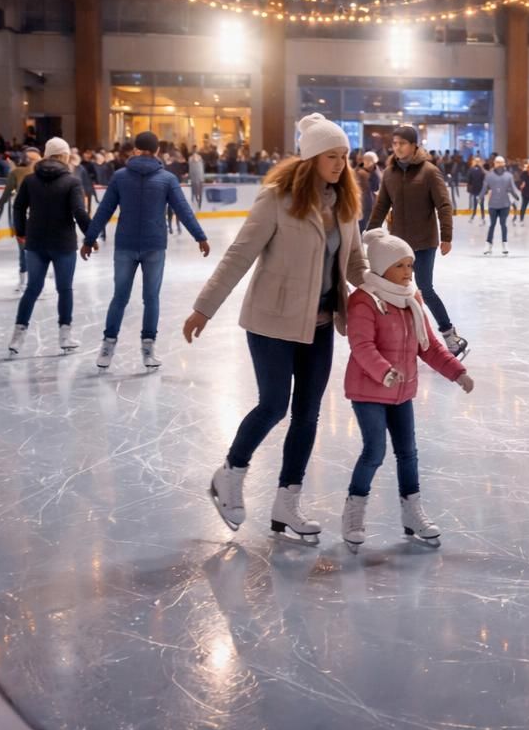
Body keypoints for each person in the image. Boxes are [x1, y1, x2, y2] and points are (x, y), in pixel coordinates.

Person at [186, 115, 368, 543]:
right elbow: (238, 256)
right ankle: (230, 473)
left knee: (308, 415)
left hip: (320, 324)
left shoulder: (345, 206)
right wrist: (203, 309)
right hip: (271, 321)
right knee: (273, 405)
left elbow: (356, 264)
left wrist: (396, 289)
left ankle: (287, 503)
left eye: (344, 157)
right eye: (332, 157)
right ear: (311, 158)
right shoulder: (277, 200)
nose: (341, 164)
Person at [340, 229, 474, 552]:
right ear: (382, 266)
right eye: (400, 266)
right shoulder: (364, 299)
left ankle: (412, 510)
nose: (408, 273)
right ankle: (353, 511)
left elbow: (427, 346)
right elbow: (361, 345)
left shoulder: (412, 298)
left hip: (401, 392)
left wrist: (457, 372)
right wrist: (383, 372)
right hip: (369, 390)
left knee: (408, 453)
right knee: (374, 451)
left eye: (410, 266)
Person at [83, 131, 210, 371]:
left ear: (134, 149)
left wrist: (90, 238)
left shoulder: (120, 177)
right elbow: (183, 210)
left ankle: (107, 348)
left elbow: (104, 210)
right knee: (151, 298)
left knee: (119, 297)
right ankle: (148, 349)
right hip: (154, 246)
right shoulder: (167, 178)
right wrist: (199, 236)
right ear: (158, 151)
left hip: (125, 246)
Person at [368, 125, 467, 359]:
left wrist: (447, 236)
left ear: (414, 146)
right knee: (398, 291)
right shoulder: (390, 173)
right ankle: (402, 338)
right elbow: (382, 204)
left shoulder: (429, 172)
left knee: (425, 289)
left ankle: (449, 334)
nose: (397, 147)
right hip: (398, 245)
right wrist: (370, 233)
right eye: (395, 143)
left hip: (424, 242)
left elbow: (443, 204)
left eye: (402, 143)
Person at [7, 138, 90, 357]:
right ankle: (65, 336)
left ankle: (18, 337)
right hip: (63, 244)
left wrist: (22, 232)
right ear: (64, 156)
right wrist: (90, 236)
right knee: (64, 289)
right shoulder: (72, 182)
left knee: (33, 288)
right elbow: (79, 213)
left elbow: (18, 206)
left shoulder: (31, 180)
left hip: (35, 243)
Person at [0, 147, 40, 292]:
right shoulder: (37, 173)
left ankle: (25, 280)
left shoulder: (17, 172)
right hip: (33, 216)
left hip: (26, 215)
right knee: (32, 249)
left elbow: (6, 195)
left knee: (25, 249)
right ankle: (29, 280)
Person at [482, 156, 518, 254]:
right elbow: (485, 187)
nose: (499, 164)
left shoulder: (508, 176)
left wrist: (517, 196)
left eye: (501, 162)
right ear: (494, 163)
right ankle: (488, 245)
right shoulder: (489, 176)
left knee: (503, 224)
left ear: (504, 164)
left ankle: (504, 244)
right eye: (497, 162)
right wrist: (480, 196)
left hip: (505, 204)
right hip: (493, 204)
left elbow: (513, 187)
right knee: (492, 225)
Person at [358, 151, 381, 229]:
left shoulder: (376, 174)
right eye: (366, 160)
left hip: (369, 204)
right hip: (360, 203)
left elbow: (376, 188)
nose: (367, 163)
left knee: (367, 226)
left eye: (369, 161)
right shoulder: (359, 171)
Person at [465, 156, 486, 224]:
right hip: (476, 189)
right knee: (476, 204)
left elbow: (485, 180)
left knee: (480, 204)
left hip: (479, 190)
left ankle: (481, 217)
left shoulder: (481, 170)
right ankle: (475, 217)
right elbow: (469, 180)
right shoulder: (473, 169)